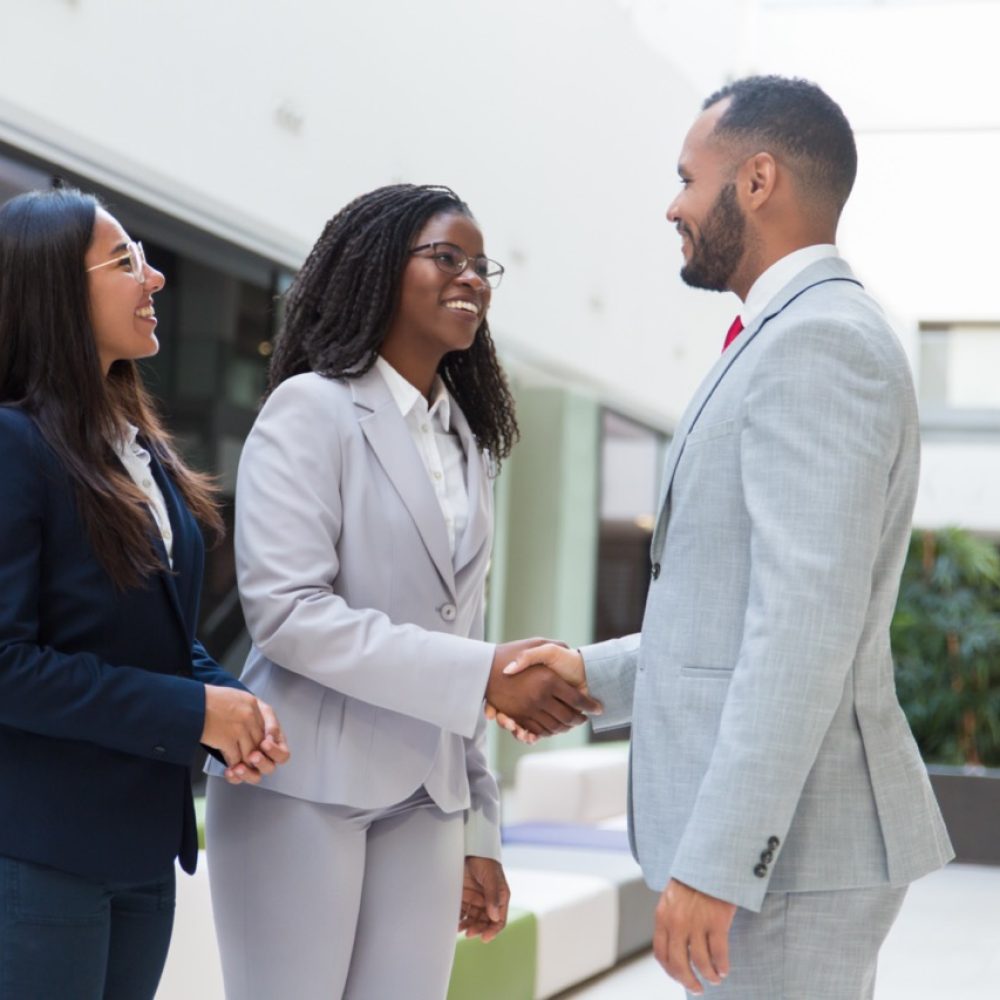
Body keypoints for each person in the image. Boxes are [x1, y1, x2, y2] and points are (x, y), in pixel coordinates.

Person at [506, 76, 954, 999]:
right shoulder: (785, 334)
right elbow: (737, 613)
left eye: (686, 177)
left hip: (790, 859)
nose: (672, 205)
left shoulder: (818, 341)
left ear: (756, 179)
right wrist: (591, 674)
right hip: (788, 854)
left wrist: (717, 860)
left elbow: (802, 630)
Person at [204, 183, 599, 1000]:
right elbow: (289, 614)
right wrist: (483, 672)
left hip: (431, 798)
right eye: (447, 257)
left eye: (482, 265)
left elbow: (459, 636)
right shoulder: (309, 410)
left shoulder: (469, 445)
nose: (473, 278)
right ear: (380, 269)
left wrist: (481, 825)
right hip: (304, 783)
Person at [0, 188, 290, 1000]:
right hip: (39, 852)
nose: (155, 278)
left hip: (140, 849)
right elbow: (6, 663)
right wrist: (191, 714)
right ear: (56, 289)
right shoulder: (13, 446)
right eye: (126, 262)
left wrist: (229, 703)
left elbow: (155, 634)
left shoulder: (139, 453)